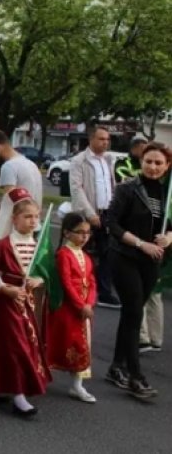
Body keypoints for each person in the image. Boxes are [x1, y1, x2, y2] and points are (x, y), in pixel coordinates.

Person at [104, 142, 172, 399]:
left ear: (167, 167)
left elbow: (170, 225)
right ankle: (135, 375)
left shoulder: (167, 193)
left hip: (151, 261)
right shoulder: (128, 188)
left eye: (159, 163)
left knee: (132, 315)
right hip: (125, 256)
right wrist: (141, 244)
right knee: (133, 311)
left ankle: (116, 367)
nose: (153, 167)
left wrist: (169, 237)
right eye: (149, 161)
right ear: (141, 162)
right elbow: (112, 223)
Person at [0, 188, 50, 417]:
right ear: (14, 218)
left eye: (35, 216)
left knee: (26, 343)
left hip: (28, 303)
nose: (32, 221)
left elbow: (44, 272)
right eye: (27, 216)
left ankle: (0, 385)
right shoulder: (3, 245)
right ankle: (18, 394)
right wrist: (4, 288)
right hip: (6, 303)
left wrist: (37, 280)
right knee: (15, 344)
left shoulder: (38, 245)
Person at [46, 212, 97, 403]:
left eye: (87, 233)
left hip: (84, 310)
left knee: (83, 346)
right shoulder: (64, 255)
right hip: (68, 310)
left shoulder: (85, 256)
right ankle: (41, 376)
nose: (84, 237)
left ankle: (77, 385)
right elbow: (66, 283)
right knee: (62, 342)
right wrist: (79, 304)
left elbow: (91, 281)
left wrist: (89, 303)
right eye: (80, 232)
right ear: (67, 233)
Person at [69, 126, 118, 307]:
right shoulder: (79, 161)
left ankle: (104, 293)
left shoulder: (107, 160)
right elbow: (77, 189)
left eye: (107, 139)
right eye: (101, 139)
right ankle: (76, 289)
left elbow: (111, 187)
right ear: (91, 139)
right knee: (81, 253)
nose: (105, 142)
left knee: (107, 254)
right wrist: (90, 214)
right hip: (87, 214)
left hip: (107, 213)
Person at [0, 128, 43, 204]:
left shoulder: (9, 167)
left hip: (17, 215)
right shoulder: (31, 165)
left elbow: (9, 203)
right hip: (32, 214)